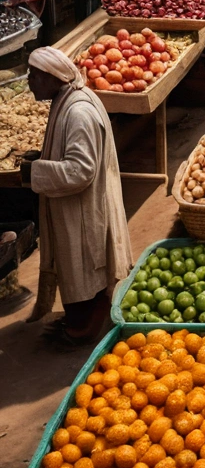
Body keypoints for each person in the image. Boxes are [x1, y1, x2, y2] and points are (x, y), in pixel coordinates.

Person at [23, 47, 131, 347]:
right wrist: (42, 157)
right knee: (80, 268)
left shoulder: (78, 111)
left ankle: (84, 326)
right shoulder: (66, 100)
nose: (29, 81)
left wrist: (35, 172)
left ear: (52, 77)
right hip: (77, 207)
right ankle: (82, 319)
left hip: (82, 208)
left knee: (85, 267)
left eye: (34, 76)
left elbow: (80, 171)